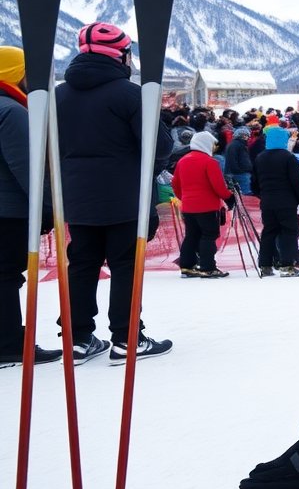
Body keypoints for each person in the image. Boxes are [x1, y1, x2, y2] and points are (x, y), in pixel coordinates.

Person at [56, 22, 172, 363]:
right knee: (125, 265)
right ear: (121, 56)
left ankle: (77, 337)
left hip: (76, 197)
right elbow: (161, 146)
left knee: (81, 263)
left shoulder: (59, 94)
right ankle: (126, 336)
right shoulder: (129, 94)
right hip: (125, 198)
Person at [0, 47, 60, 367]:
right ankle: (9, 341)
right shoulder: (10, 112)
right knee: (6, 275)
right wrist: (48, 208)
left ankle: (8, 333)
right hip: (8, 211)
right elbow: (28, 167)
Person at [171, 131, 235, 278]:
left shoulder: (183, 160)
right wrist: (228, 197)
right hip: (207, 206)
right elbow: (218, 186)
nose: (214, 148)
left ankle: (187, 266)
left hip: (188, 206)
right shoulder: (210, 162)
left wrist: (184, 197)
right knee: (208, 235)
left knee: (191, 236)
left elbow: (175, 184)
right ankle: (208, 267)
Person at [255, 125, 299, 277]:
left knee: (269, 232)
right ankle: (287, 265)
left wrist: (263, 194)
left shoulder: (260, 157)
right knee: (289, 232)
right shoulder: (288, 157)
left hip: (267, 202)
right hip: (286, 202)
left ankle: (265, 265)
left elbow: (254, 182)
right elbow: (297, 182)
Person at [224, 126, 254, 195]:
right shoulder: (238, 145)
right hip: (240, 174)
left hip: (238, 173)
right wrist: (239, 171)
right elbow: (233, 160)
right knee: (245, 194)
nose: (248, 138)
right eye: (247, 136)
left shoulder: (234, 144)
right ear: (242, 136)